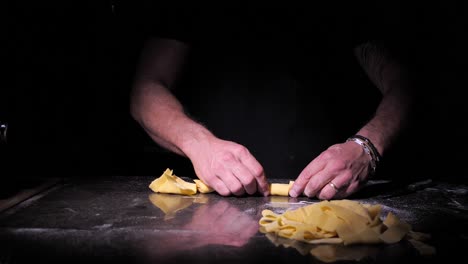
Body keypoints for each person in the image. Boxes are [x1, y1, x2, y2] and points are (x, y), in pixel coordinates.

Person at [127, 5, 413, 199]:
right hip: (214, 204)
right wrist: (199, 144)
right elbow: (145, 91)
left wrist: (367, 147)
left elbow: (406, 84)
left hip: (335, 198)